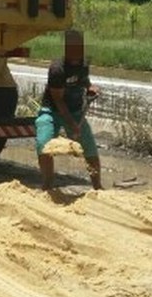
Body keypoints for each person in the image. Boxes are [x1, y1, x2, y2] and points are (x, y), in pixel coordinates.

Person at [34, 28, 102, 191]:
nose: (76, 51)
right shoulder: (58, 69)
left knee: (89, 147)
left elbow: (84, 79)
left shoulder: (84, 63)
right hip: (52, 110)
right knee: (44, 144)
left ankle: (97, 186)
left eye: (79, 47)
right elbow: (58, 100)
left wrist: (90, 87)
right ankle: (48, 185)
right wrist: (72, 125)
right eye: (72, 47)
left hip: (76, 111)